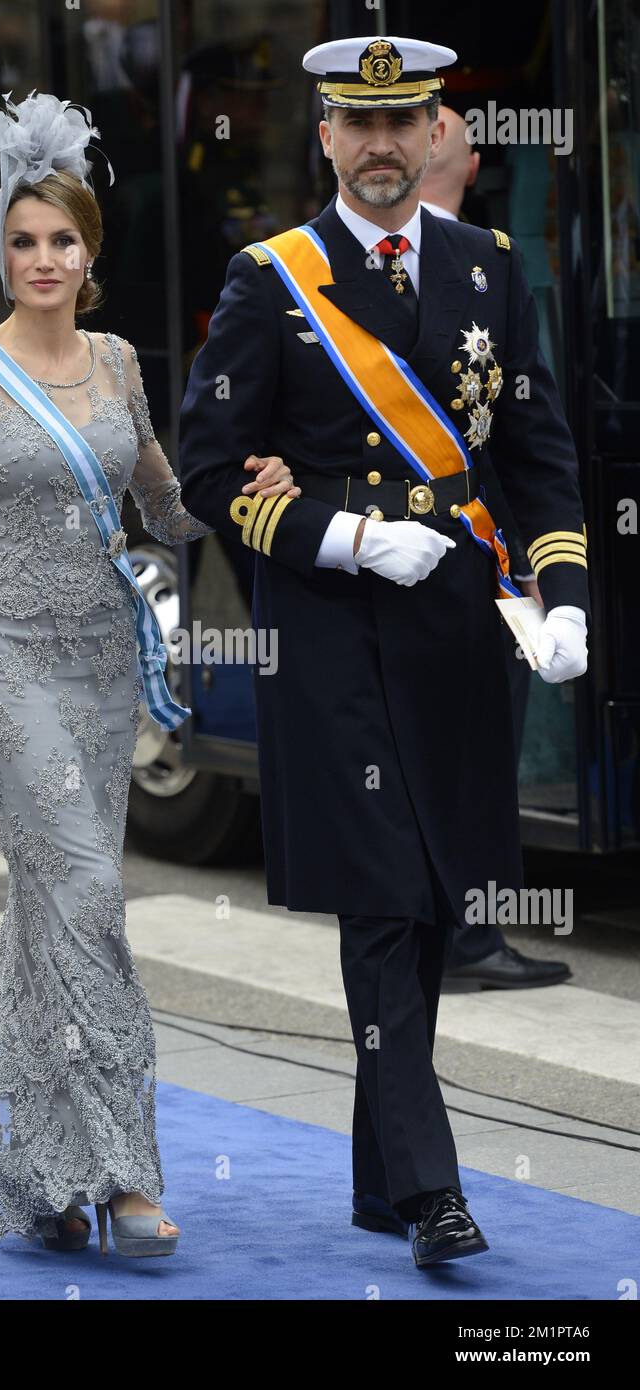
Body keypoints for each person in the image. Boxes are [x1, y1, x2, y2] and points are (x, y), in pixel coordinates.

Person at [178, 35, 589, 1267]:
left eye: (401, 121)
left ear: (436, 135)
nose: (379, 146)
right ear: (322, 140)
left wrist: (562, 594)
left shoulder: (487, 267)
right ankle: (429, 1192)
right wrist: (344, 535)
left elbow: (536, 450)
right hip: (333, 635)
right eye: (355, 126)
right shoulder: (271, 280)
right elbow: (206, 469)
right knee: (381, 900)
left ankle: (374, 1178)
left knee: (429, 901)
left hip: (457, 631)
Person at [0, 90, 297, 1258]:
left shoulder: (121, 362)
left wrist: (257, 488)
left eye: (60, 240)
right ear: (0, 252)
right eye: (22, 241)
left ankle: (39, 1174)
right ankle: (126, 1175)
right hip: (5, 661)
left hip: (100, 666)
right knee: (88, 897)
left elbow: (168, 509)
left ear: (89, 251)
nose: (41, 259)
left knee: (47, 915)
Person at [420, 105, 570, 989]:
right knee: (453, 751)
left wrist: (543, 565)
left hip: (497, 553)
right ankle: (455, 936)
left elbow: (528, 434)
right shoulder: (337, 265)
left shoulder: (493, 264)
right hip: (422, 557)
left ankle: (470, 933)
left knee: (481, 746)